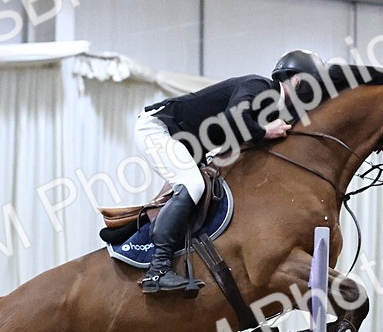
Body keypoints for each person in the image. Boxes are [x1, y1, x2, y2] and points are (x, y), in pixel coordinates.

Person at [133, 49, 324, 293]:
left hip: (188, 145)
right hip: (157, 129)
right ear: (298, 81)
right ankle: (157, 270)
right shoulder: (261, 87)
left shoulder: (271, 108)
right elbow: (234, 116)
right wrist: (264, 133)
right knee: (193, 184)